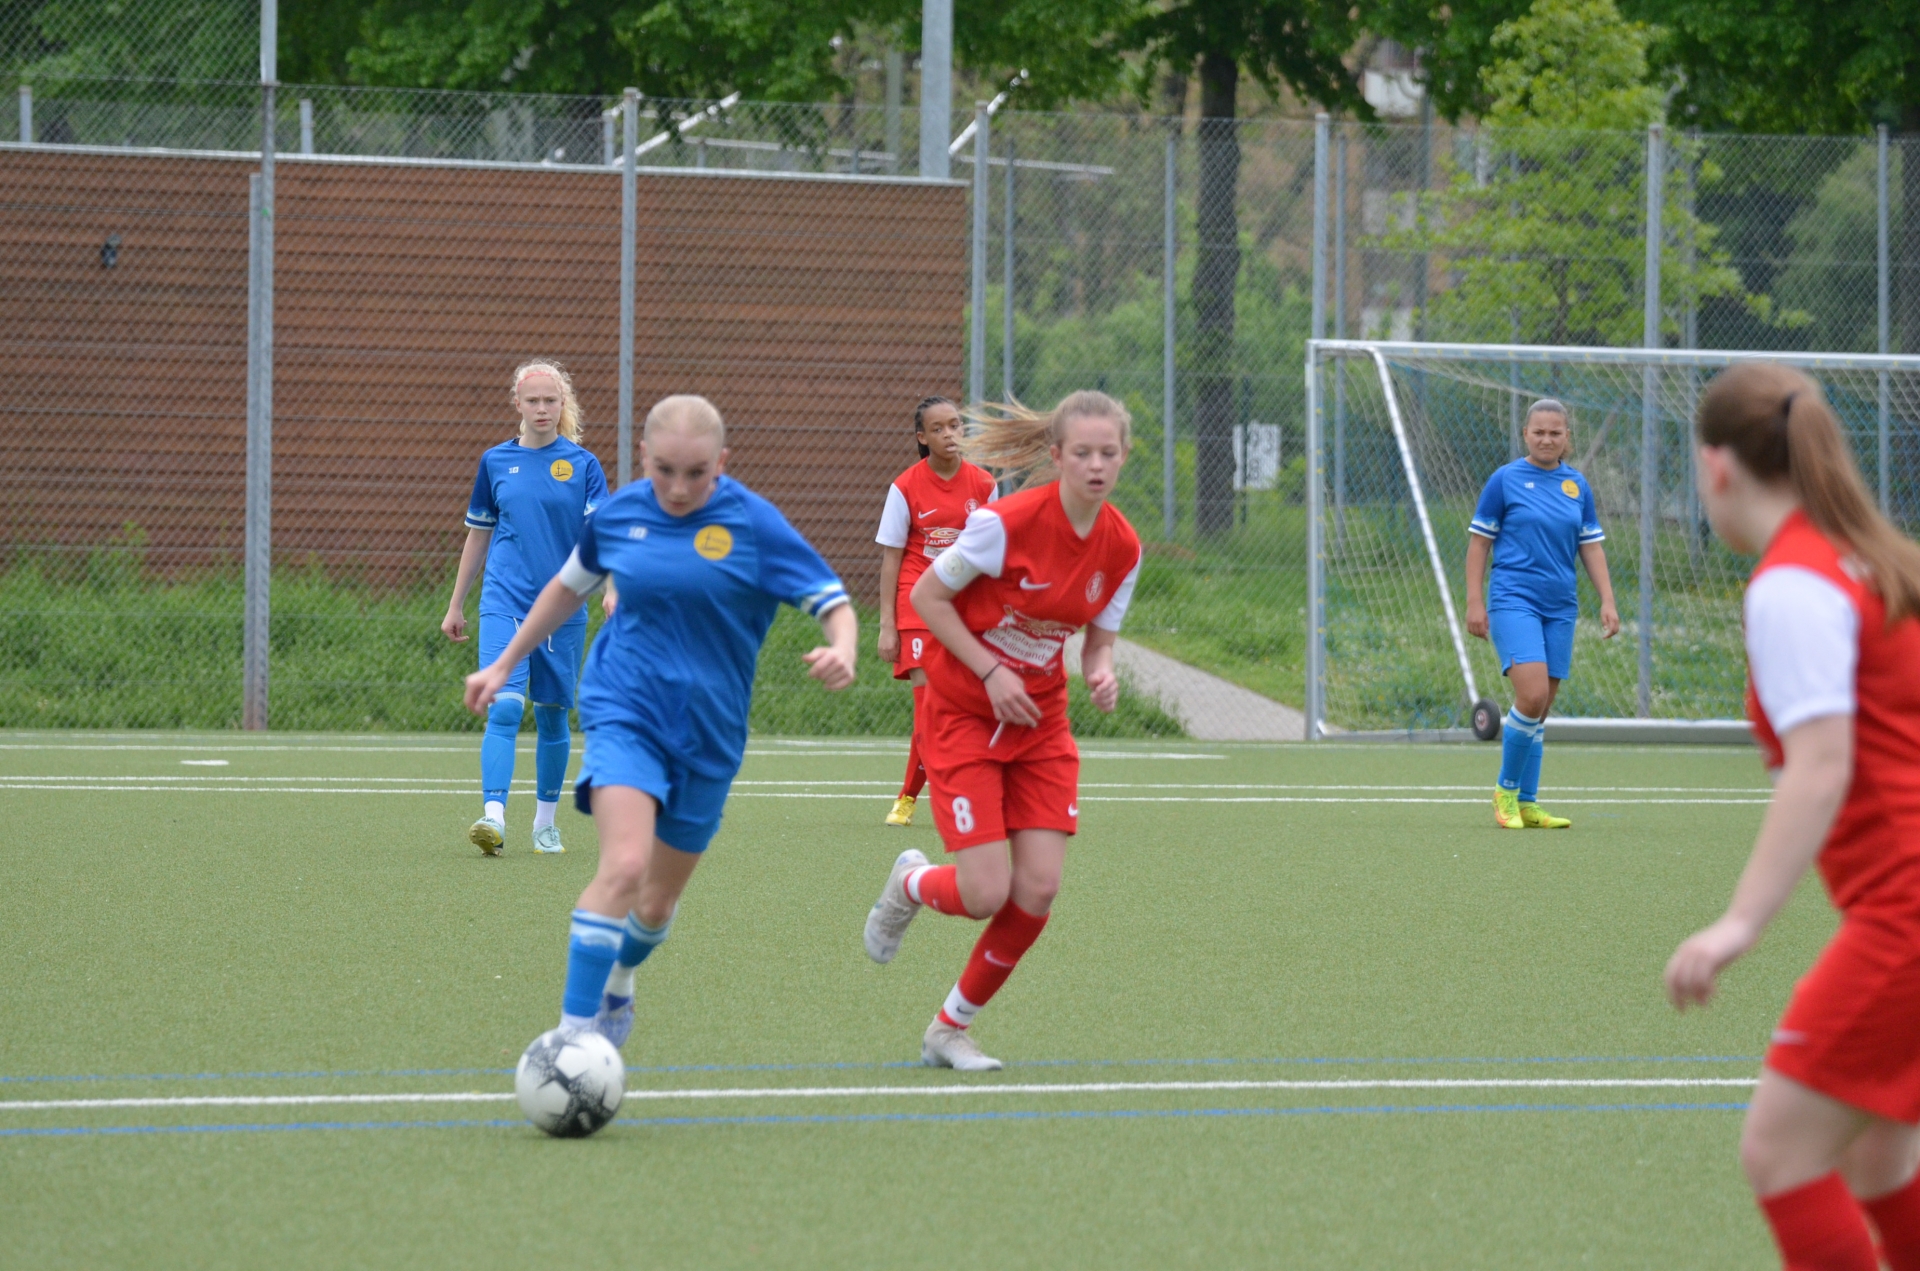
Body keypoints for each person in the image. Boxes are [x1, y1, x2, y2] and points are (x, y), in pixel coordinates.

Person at [464, 394, 856, 1048]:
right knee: (621, 866)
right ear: (643, 456)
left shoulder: (753, 524)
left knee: (653, 907)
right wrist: (504, 663)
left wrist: (841, 645)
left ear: (722, 462)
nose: (677, 487)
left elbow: (833, 600)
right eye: (664, 469)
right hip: (625, 706)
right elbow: (566, 587)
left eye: (696, 472)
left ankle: (620, 973)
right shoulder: (620, 515)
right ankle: (570, 1038)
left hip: (709, 731)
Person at [1665, 363, 1920, 1271]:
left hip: (1906, 916)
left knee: (1778, 1152)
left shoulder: (1795, 584)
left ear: (1719, 467)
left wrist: (1739, 923)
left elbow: (1820, 768)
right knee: (1875, 1151)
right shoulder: (1868, 561)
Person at [861, 390, 1142, 1071]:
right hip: (962, 709)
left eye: (1109, 453)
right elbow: (929, 597)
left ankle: (948, 1029)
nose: (1096, 465)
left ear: (1124, 457)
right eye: (1083, 452)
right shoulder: (1003, 522)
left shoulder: (1122, 547)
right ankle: (911, 884)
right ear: (1056, 457)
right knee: (985, 890)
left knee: (1037, 888)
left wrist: (1101, 672)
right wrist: (989, 669)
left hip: (1039, 721)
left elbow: (1096, 643)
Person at [443, 360, 609, 856]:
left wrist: (612, 588)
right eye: (532, 400)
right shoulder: (495, 462)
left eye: (550, 400)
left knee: (554, 715)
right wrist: (457, 604)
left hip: (562, 608)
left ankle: (545, 824)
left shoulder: (583, 465)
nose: (542, 408)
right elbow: (479, 536)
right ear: (517, 403)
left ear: (563, 406)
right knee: (506, 704)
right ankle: (493, 817)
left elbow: (602, 539)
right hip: (504, 601)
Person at [1464, 399, 1621, 830]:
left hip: (1560, 606)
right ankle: (1505, 792)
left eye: (1555, 432)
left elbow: (1590, 546)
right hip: (1514, 598)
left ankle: (1529, 802)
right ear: (1525, 434)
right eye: (1539, 432)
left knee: (1542, 707)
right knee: (1530, 695)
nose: (1547, 439)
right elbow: (1479, 544)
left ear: (1568, 437)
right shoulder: (1505, 480)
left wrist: (1607, 600)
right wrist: (1475, 602)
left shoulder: (1577, 486)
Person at [874, 396, 998, 827]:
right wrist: (888, 626)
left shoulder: (984, 486)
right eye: (939, 428)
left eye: (956, 425)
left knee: (959, 711)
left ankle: (939, 791)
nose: (950, 434)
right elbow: (892, 558)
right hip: (917, 607)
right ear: (922, 438)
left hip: (962, 611)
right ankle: (910, 799)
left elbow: (992, 557)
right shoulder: (904, 487)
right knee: (930, 707)